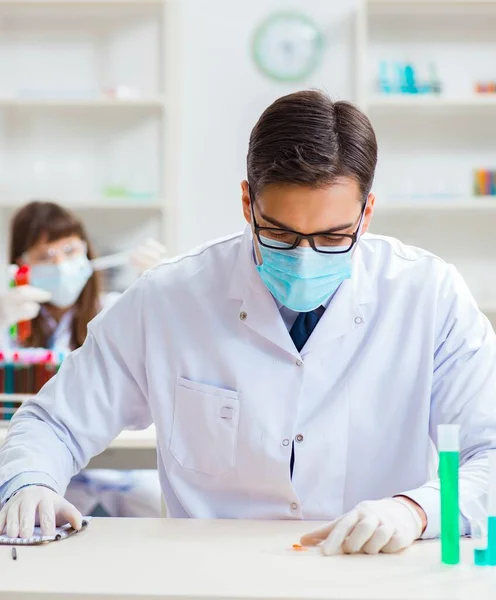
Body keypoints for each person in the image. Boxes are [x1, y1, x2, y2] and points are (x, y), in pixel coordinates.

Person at [0, 91, 495, 555]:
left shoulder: (428, 294)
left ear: (366, 214)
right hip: (211, 575)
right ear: (246, 203)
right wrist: (29, 483)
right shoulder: (169, 297)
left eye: (332, 238)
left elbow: (490, 453)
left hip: (376, 572)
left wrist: (415, 512)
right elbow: (53, 422)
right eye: (279, 234)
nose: (304, 258)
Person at [0, 201, 163, 518]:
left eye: (71, 251)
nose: (61, 265)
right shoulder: (11, 316)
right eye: (45, 257)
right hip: (44, 467)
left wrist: (160, 288)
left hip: (121, 471)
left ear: (88, 254)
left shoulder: (114, 311)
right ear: (21, 265)